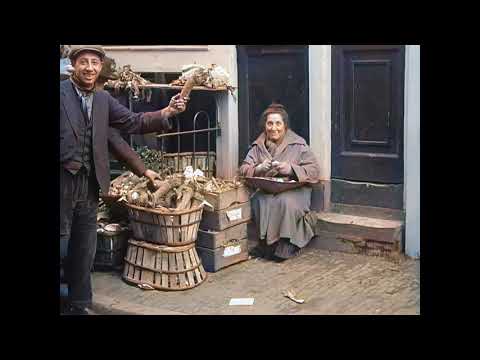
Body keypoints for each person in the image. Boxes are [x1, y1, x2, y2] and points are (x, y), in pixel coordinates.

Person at [60, 45, 188, 314]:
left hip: (90, 183)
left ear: (100, 67)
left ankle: (79, 305)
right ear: (74, 65)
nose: (90, 68)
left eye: (95, 62)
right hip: (62, 182)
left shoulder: (103, 100)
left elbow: (133, 122)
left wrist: (167, 112)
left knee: (84, 249)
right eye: (84, 62)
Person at [239, 103, 320, 261]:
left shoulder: (298, 144)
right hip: (269, 190)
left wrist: (290, 169)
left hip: (296, 191)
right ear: (265, 125)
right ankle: (266, 243)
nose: (273, 128)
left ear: (285, 125)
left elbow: (314, 171)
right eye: (270, 123)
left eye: (278, 123)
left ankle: (286, 244)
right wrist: (258, 168)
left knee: (284, 202)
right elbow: (243, 169)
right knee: (259, 199)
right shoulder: (258, 146)